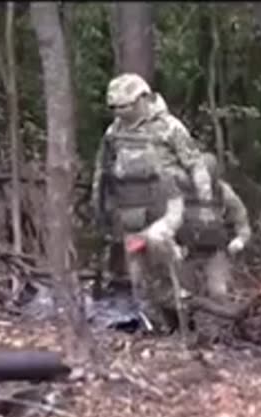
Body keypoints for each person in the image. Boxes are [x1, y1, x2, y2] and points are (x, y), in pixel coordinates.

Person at [91, 73, 212, 328]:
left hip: (169, 209)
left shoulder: (170, 127)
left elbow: (195, 165)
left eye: (126, 106)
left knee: (161, 247)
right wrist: (100, 207)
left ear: (142, 99)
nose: (121, 112)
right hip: (132, 213)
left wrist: (204, 205)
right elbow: (102, 171)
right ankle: (159, 324)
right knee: (139, 273)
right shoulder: (114, 132)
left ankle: (186, 310)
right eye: (115, 108)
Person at [174, 153, 252, 302]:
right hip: (186, 252)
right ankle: (183, 324)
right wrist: (172, 246)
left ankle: (224, 322)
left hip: (215, 252)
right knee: (183, 296)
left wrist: (240, 240)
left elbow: (241, 218)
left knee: (219, 293)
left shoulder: (223, 192)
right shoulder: (180, 193)